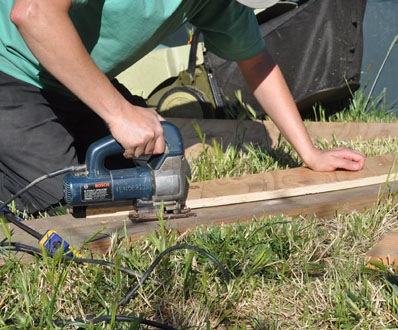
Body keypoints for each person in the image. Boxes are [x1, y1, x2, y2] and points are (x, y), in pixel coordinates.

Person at [0, 0, 365, 214]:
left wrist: (310, 153)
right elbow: (32, 13)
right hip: (9, 70)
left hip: (71, 81)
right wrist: (119, 112)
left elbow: (256, 61)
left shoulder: (209, 3)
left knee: (155, 181)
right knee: (62, 201)